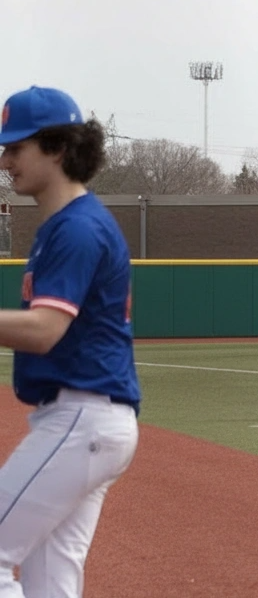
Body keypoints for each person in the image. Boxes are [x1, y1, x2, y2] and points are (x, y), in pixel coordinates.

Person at [0, 86, 141, 596]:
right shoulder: (63, 225)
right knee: (50, 580)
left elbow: (44, 330)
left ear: (57, 148)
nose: (5, 159)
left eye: (16, 147)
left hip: (82, 418)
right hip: (88, 420)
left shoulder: (77, 228)